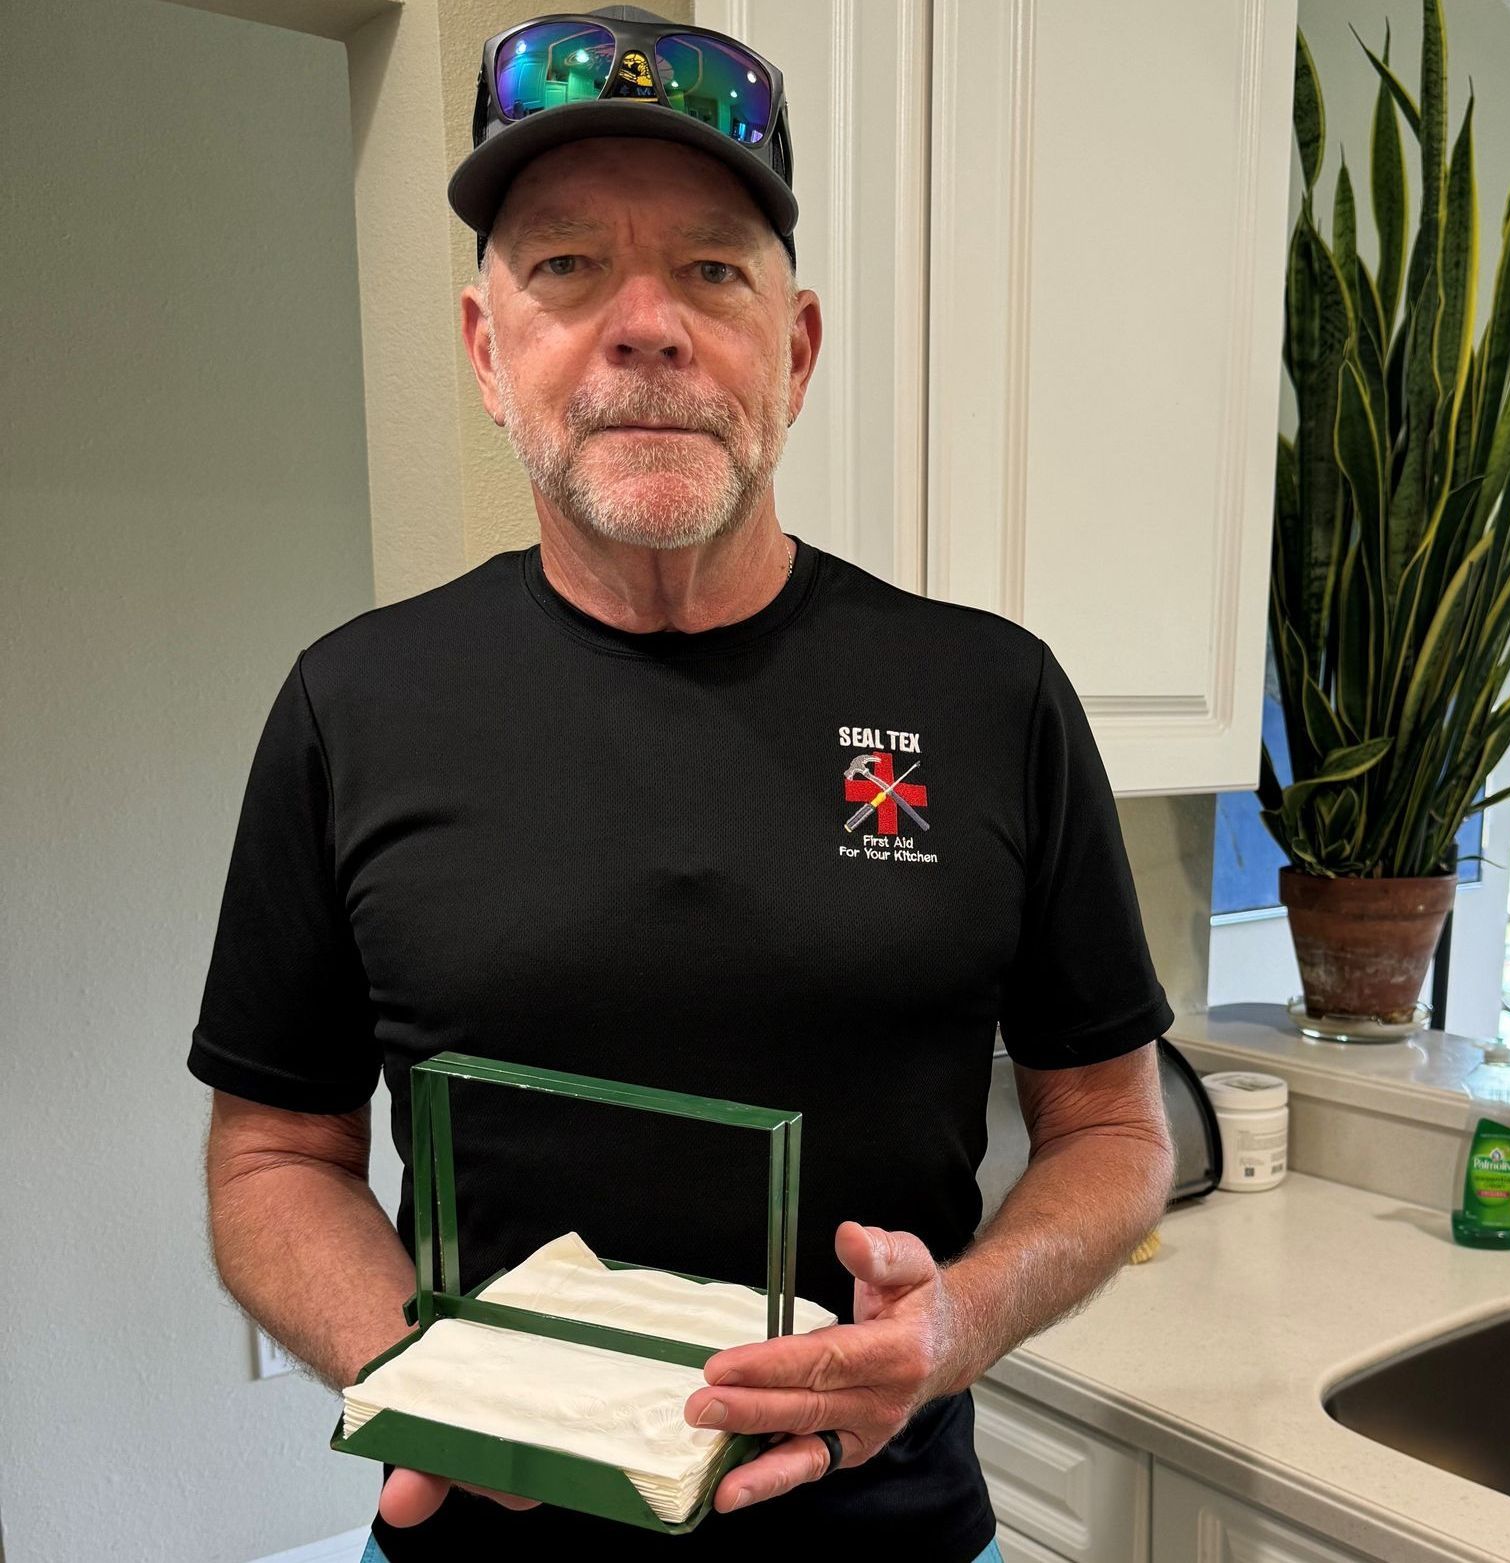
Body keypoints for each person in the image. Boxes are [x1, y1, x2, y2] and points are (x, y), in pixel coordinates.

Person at [187, 8, 1177, 1562]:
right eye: (568, 266)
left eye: (713, 270)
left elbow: (1116, 1131)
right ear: (486, 350)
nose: (645, 325)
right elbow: (272, 1158)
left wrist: (955, 1327)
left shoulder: (991, 699)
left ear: (796, 351)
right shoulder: (354, 705)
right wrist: (412, 1371)